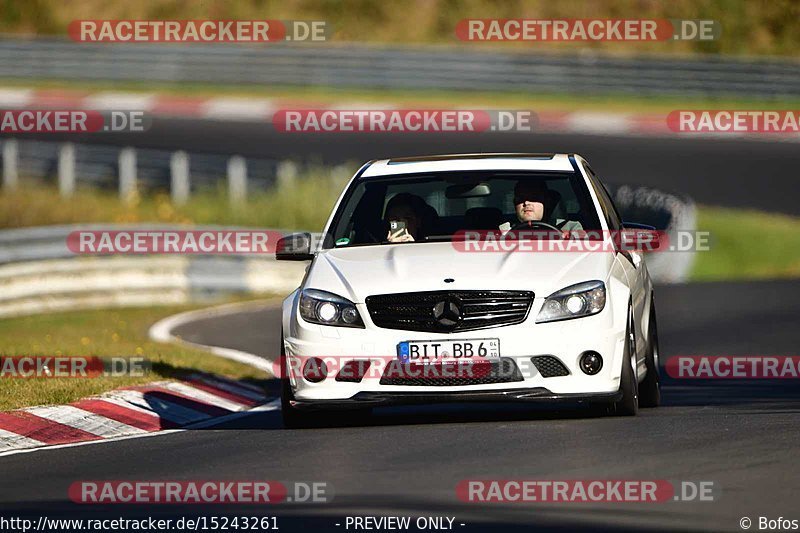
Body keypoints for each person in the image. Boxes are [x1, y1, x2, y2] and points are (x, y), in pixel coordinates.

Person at [508, 180, 583, 233]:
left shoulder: (571, 228)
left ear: (545, 202)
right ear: (515, 204)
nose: (526, 202)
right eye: (521, 198)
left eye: (533, 197)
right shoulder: (502, 230)